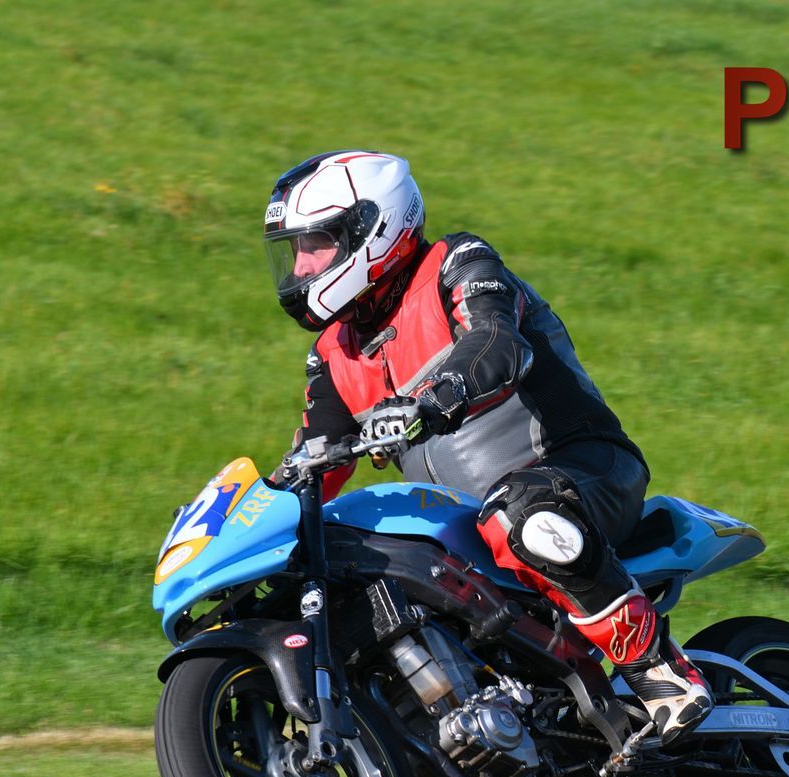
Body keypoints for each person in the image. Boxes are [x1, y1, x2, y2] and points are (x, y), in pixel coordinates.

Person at [263, 151, 714, 742]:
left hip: (581, 467)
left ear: (374, 227)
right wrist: (256, 513)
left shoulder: (457, 264)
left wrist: (435, 398)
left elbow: (497, 343)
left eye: (316, 244)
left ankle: (660, 671)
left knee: (521, 513)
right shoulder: (334, 352)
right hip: (472, 529)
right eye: (294, 250)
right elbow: (313, 458)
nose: (301, 266)